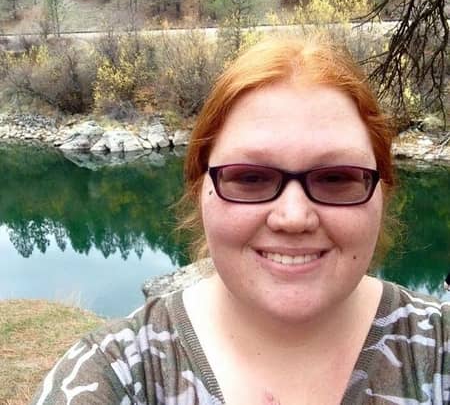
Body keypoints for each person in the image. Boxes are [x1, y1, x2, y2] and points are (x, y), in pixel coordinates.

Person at [31, 36, 449, 405]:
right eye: (250, 177)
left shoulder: (439, 350)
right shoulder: (114, 375)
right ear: (200, 190)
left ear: (382, 191)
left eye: (337, 178)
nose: (293, 217)